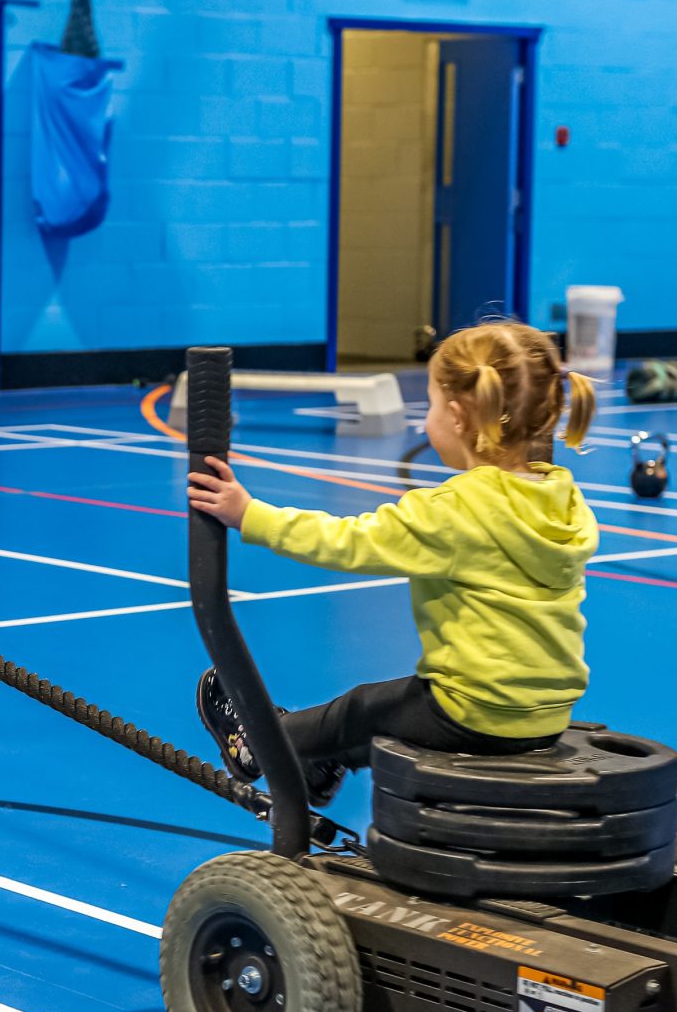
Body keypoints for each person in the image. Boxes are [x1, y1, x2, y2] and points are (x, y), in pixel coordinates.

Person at [187, 319, 598, 802]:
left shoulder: (456, 509)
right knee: (396, 705)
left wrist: (249, 515)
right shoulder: (563, 497)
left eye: (431, 405)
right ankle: (319, 762)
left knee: (359, 710)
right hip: (550, 712)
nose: (425, 420)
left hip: (475, 711)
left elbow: (347, 542)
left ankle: (258, 744)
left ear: (461, 417)